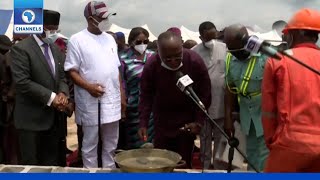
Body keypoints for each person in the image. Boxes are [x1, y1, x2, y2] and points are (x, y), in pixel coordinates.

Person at [64, 1, 126, 169]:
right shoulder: (77, 40)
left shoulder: (110, 40)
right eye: (103, 17)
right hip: (90, 100)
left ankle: (109, 171)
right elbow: (71, 71)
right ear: (91, 19)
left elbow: (116, 70)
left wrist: (122, 95)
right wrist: (89, 87)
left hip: (111, 100)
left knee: (111, 143)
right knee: (90, 143)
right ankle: (90, 173)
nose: (107, 20)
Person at [138, 31, 211, 168]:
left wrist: (198, 121)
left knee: (183, 163)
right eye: (167, 58)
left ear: (182, 48)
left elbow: (205, 94)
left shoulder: (194, 61)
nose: (173, 62)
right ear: (158, 52)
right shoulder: (152, 65)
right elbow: (146, 96)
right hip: (162, 121)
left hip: (187, 122)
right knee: (161, 161)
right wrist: (143, 123)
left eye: (177, 57)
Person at [262, 8, 320, 172]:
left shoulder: (278, 60)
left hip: (289, 142)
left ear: (294, 34)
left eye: (286, 34)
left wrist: (271, 140)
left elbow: (268, 110)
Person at [10, 9, 69, 166]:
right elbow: (22, 82)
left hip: (53, 120)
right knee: (31, 166)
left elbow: (62, 77)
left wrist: (63, 93)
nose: (53, 32)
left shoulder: (56, 50)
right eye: (50, 28)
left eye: (56, 29)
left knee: (50, 164)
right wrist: (52, 98)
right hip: (31, 121)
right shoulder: (21, 49)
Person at [223, 24, 269, 172]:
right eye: (231, 50)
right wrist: (228, 117)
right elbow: (230, 89)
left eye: (238, 50)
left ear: (248, 43)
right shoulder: (230, 58)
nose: (235, 54)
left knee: (263, 156)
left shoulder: (265, 58)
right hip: (247, 117)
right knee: (252, 154)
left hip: (266, 116)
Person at [191, 21, 227, 169]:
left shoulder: (225, 49)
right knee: (204, 140)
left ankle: (218, 168)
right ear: (201, 37)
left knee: (220, 141)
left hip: (221, 103)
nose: (211, 41)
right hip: (203, 104)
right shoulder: (194, 52)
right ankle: (205, 168)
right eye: (207, 38)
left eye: (214, 36)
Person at [119, 27, 155, 150]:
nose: (142, 45)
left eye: (145, 41)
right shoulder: (123, 59)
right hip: (133, 108)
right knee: (135, 144)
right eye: (138, 42)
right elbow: (122, 84)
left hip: (152, 108)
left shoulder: (153, 57)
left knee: (151, 143)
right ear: (131, 42)